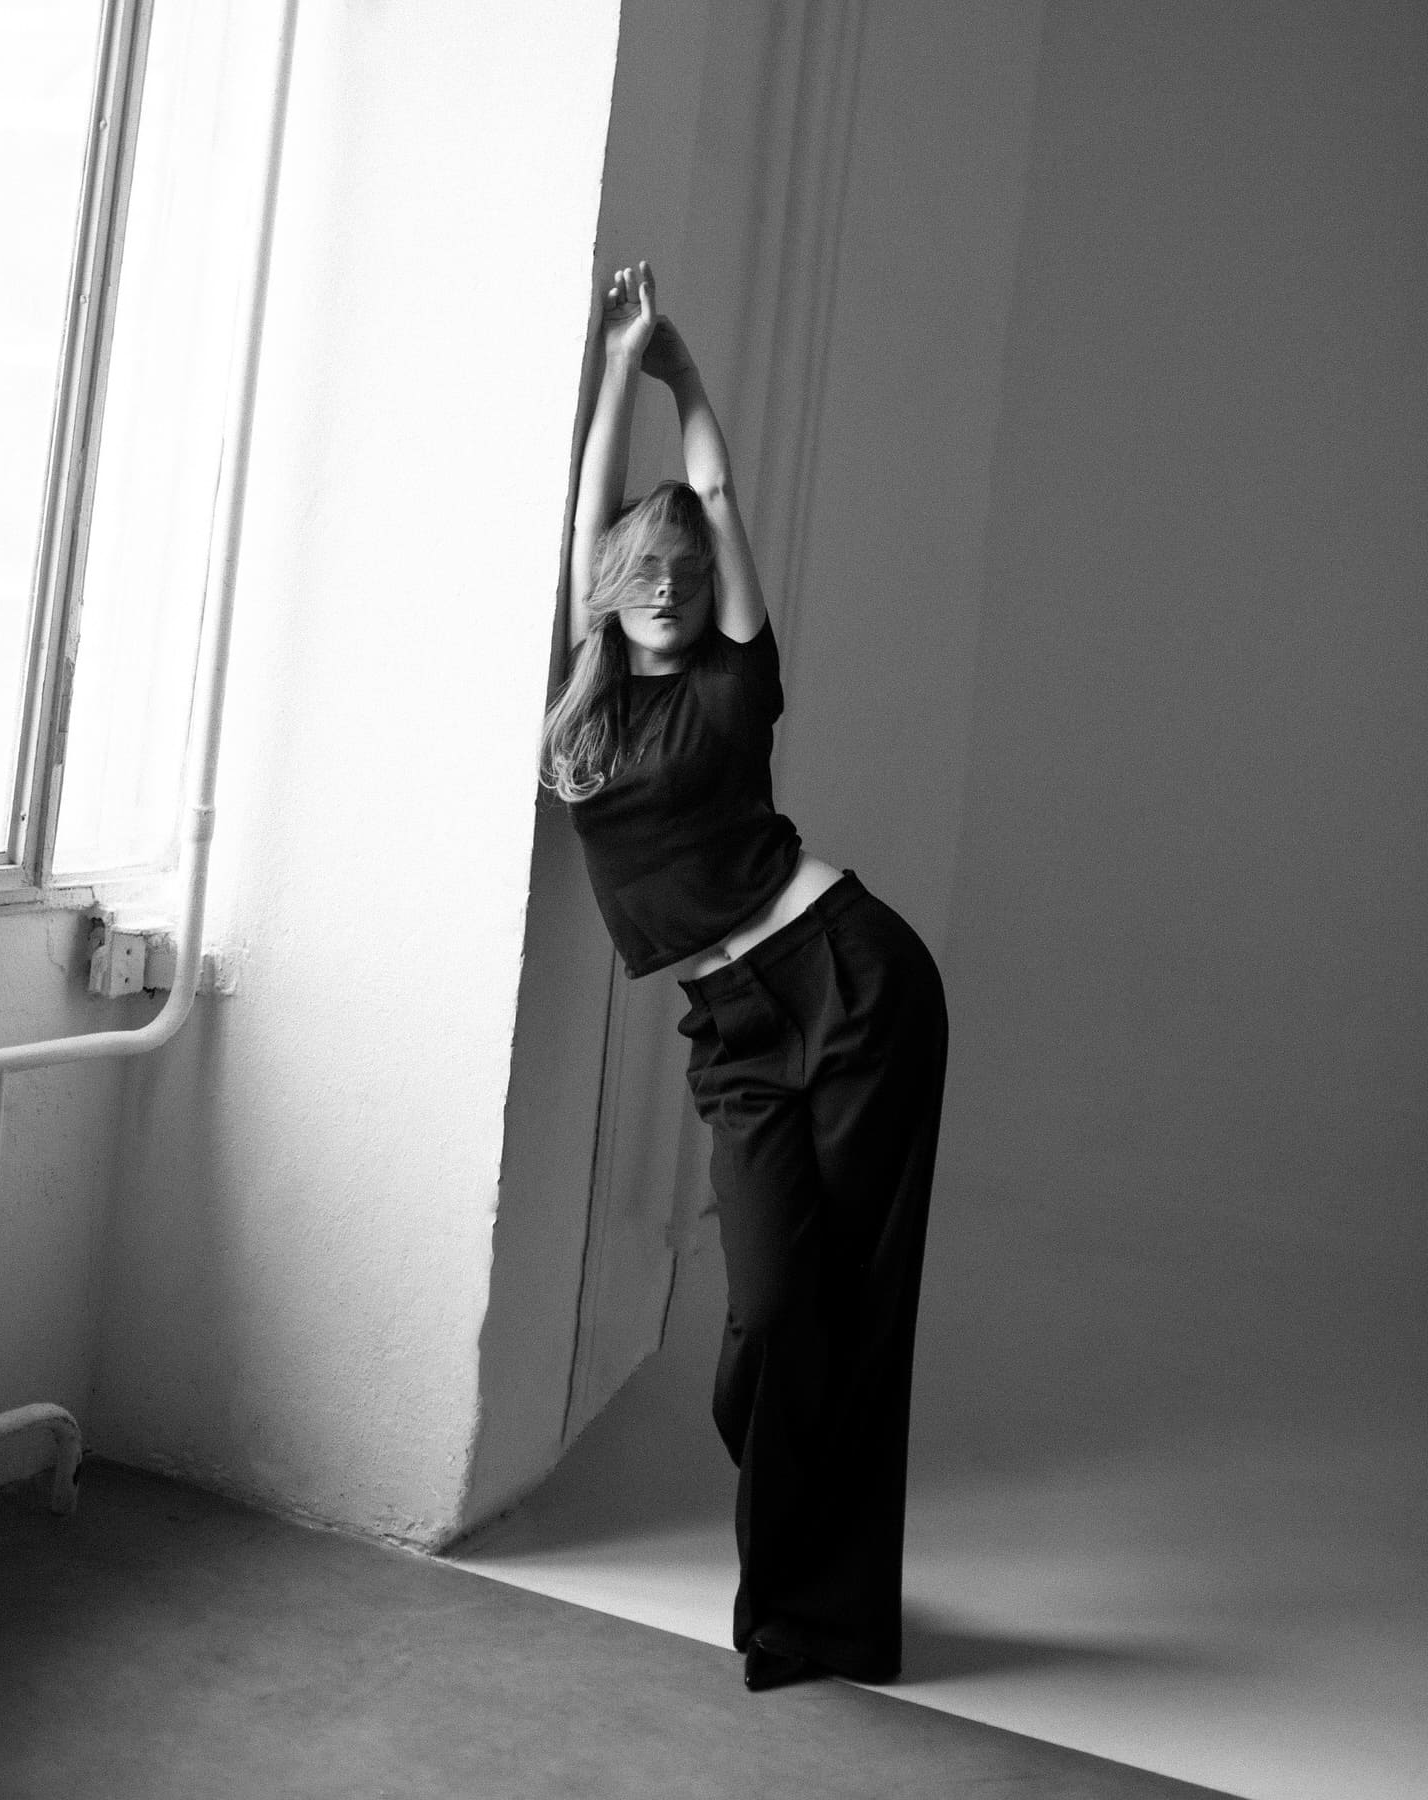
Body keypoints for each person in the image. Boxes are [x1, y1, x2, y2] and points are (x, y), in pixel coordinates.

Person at [541, 261, 948, 1692]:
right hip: (731, 1028)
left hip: (851, 979)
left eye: (687, 571)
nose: (666, 583)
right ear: (611, 588)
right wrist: (614, 371)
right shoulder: (587, 705)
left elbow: (710, 495)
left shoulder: (733, 681)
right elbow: (593, 518)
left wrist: (683, 375)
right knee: (775, 1315)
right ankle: (798, 1535)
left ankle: (817, 1619)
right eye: (642, 570)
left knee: (853, 1297)